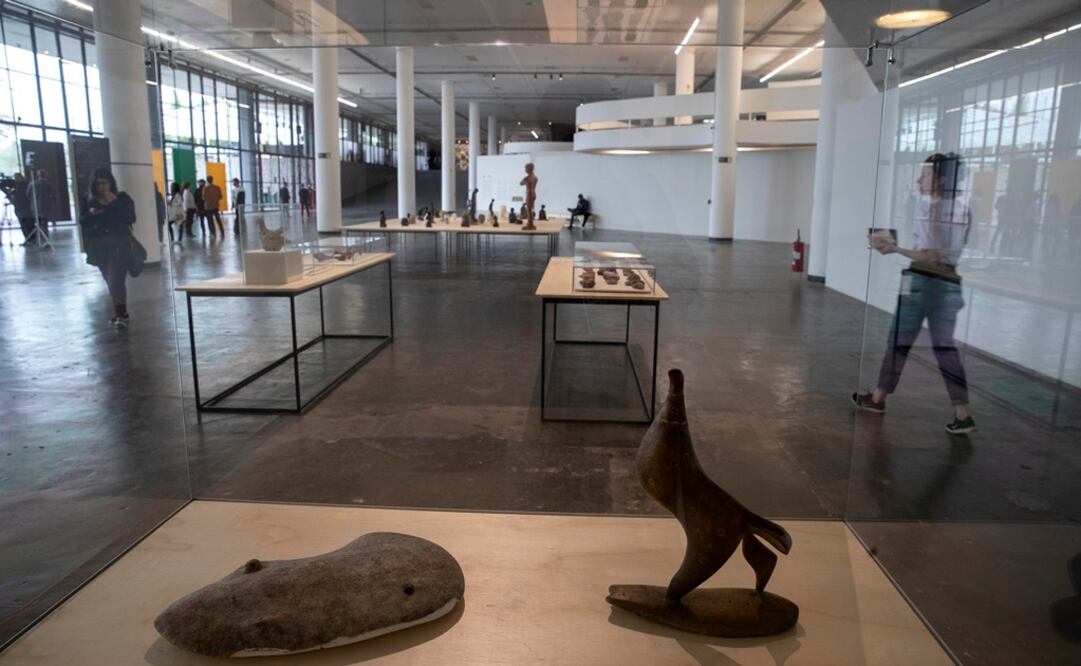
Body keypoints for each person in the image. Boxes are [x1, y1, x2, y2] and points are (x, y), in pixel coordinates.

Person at [853, 153, 975, 435]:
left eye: (926, 175)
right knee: (944, 349)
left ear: (941, 180)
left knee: (898, 341)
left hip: (923, 280)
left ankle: (878, 399)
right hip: (948, 282)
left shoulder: (931, 210)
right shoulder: (959, 208)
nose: (920, 179)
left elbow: (929, 256)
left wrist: (893, 248)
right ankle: (962, 412)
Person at [80, 167, 136, 327]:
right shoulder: (88, 200)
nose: (102, 187)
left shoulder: (122, 198)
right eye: (98, 184)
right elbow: (82, 220)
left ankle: (121, 314)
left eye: (104, 183)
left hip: (119, 243)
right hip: (99, 245)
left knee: (115, 280)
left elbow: (130, 218)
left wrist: (115, 203)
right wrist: (92, 214)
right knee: (109, 279)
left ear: (111, 182)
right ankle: (121, 312)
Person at [1, 172, 34, 245]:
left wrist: (10, 193)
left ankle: (30, 239)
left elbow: (21, 195)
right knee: (24, 224)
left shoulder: (24, 185)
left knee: (27, 224)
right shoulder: (20, 185)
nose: (15, 180)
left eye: (16, 178)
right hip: (20, 207)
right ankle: (28, 239)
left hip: (24, 208)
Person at [27, 169, 53, 242]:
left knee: (36, 224)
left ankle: (37, 240)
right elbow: (52, 195)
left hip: (34, 207)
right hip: (45, 207)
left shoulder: (32, 184)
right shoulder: (48, 185)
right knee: (44, 224)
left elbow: (27, 195)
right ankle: (45, 240)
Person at [520, 163, 537, 231]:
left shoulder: (528, 178)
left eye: (526, 168)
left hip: (529, 194)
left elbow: (521, 183)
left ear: (529, 169)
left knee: (529, 211)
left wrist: (525, 180)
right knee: (529, 210)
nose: (525, 170)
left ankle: (529, 225)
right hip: (533, 194)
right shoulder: (535, 177)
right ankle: (530, 224)